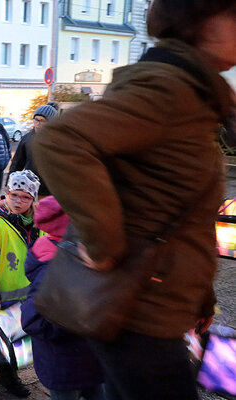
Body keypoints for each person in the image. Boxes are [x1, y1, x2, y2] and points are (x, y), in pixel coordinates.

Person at [32, 1, 236, 397]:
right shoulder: (169, 88)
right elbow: (60, 139)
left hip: (154, 301)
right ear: (206, 23)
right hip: (138, 306)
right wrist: (103, 241)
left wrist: (200, 297)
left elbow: (175, 206)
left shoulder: (194, 92)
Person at [20, 197, 105, 400]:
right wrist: (77, 322)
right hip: (65, 364)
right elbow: (33, 319)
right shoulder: (52, 267)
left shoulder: (71, 254)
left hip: (88, 358)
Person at [0, 170, 42, 398]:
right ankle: (8, 376)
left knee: (25, 337)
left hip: (32, 295)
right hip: (5, 296)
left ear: (33, 200)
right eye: (14, 195)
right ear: (6, 193)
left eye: (25, 197)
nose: (18, 201)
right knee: (8, 341)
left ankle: (7, 363)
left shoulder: (38, 224)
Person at [8, 105, 57, 197]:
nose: (38, 123)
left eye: (42, 121)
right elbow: (17, 163)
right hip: (30, 189)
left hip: (52, 192)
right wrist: (10, 183)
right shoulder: (27, 139)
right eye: (36, 119)